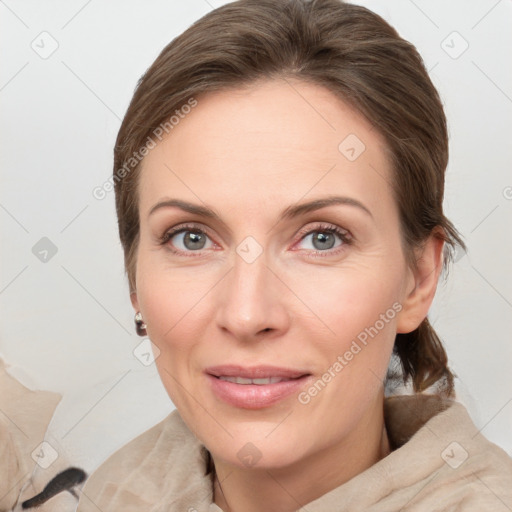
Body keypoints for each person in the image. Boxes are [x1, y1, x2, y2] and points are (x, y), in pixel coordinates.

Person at [75, 0, 512, 510]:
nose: (247, 314)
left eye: (322, 238)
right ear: (135, 284)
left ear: (418, 279)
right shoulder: (109, 494)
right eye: (191, 238)